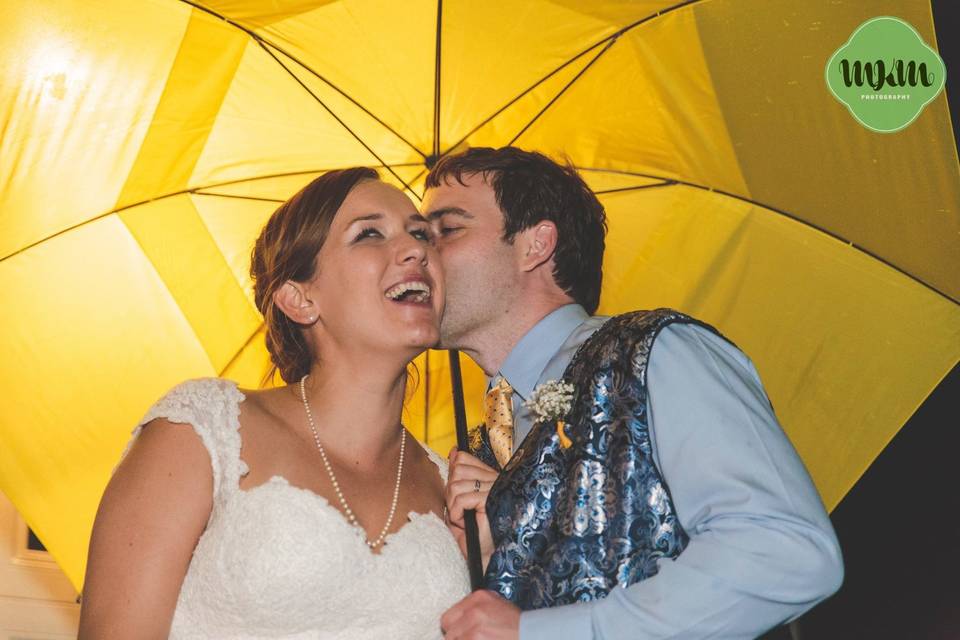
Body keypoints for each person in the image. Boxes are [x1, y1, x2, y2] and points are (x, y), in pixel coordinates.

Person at [423, 147, 844, 639]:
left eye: (446, 229)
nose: (419, 254)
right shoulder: (478, 450)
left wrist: (540, 634)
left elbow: (785, 551)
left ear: (535, 245)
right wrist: (499, 557)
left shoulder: (654, 352)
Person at [78, 168, 470, 639]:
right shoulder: (204, 431)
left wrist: (495, 559)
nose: (416, 250)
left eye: (421, 233)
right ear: (299, 299)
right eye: (369, 234)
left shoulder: (453, 487)